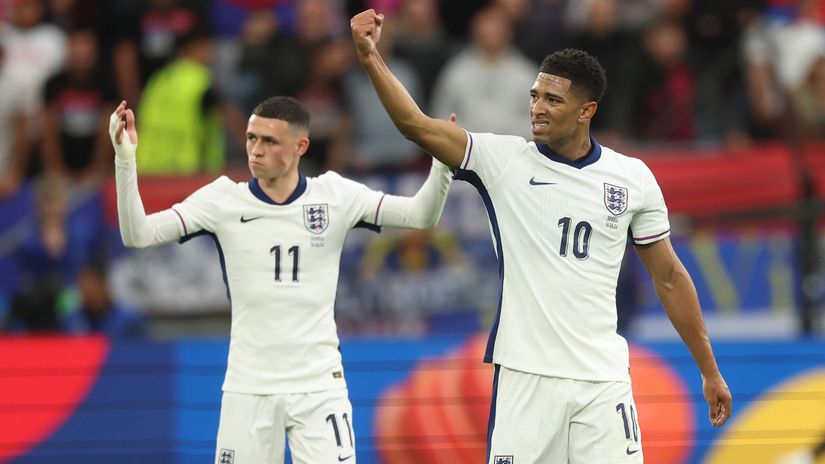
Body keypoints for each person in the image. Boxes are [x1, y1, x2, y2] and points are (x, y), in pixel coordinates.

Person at [351, 10, 732, 463]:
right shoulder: (503, 161)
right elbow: (415, 123)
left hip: (603, 381)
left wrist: (708, 369)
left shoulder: (633, 178)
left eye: (552, 99)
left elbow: (668, 277)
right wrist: (370, 57)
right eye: (534, 96)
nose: (536, 108)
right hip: (527, 380)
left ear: (586, 111)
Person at [109, 95, 453, 463]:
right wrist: (125, 159)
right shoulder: (223, 200)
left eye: (269, 141)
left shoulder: (335, 195)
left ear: (300, 146)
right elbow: (138, 234)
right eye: (250, 138)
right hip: (248, 390)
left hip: (319, 389)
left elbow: (421, 216)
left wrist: (442, 162)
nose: (255, 151)